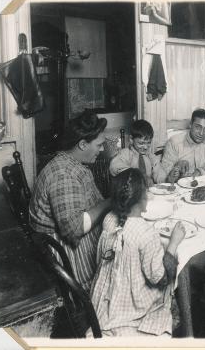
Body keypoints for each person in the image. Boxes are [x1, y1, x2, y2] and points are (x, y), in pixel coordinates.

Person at [90, 168, 186, 337]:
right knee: (171, 289)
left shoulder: (109, 219)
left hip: (103, 300)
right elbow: (161, 279)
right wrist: (173, 243)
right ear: (143, 198)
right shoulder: (146, 233)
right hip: (130, 309)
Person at [29, 110, 111, 290]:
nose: (102, 149)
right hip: (66, 256)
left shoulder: (69, 162)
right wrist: (109, 203)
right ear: (82, 144)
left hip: (67, 243)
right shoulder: (63, 175)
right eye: (99, 145)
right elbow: (74, 229)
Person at [157, 109, 205, 183]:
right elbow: (165, 173)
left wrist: (201, 171)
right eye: (198, 127)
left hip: (204, 185)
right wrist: (177, 167)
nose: (201, 133)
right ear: (190, 124)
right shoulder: (174, 142)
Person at [109, 119, 163, 186]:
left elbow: (160, 174)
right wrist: (139, 175)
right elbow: (114, 167)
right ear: (131, 139)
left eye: (148, 143)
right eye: (141, 143)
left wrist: (168, 178)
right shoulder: (125, 154)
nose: (145, 147)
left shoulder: (151, 157)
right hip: (129, 192)